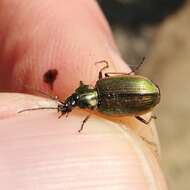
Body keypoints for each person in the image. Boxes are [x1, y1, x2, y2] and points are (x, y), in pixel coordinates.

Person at [0, 1, 167, 189]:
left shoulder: (102, 108)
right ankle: (131, 75)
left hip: (144, 92)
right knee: (136, 116)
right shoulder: (101, 86)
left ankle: (132, 78)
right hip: (144, 89)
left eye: (74, 100)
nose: (72, 101)